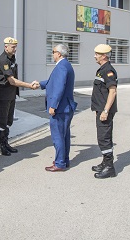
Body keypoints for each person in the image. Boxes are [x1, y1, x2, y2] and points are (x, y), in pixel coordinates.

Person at [0, 37, 39, 156]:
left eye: (15, 47)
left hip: (11, 94)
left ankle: (5, 142)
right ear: (6, 47)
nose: (15, 49)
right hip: (3, 94)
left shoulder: (12, 58)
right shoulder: (3, 59)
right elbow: (12, 81)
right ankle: (1, 145)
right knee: (2, 121)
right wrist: (29, 85)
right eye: (13, 47)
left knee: (9, 121)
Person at [39, 44, 77, 172]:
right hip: (66, 107)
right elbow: (53, 81)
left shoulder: (61, 67)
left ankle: (60, 163)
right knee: (64, 135)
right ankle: (64, 160)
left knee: (58, 136)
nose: (52, 54)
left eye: (53, 52)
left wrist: (53, 106)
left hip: (60, 108)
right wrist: (40, 84)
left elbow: (59, 87)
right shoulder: (66, 65)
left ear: (59, 54)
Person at [91, 44, 118, 179]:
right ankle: (104, 162)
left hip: (104, 111)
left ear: (104, 56)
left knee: (104, 138)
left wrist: (106, 111)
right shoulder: (101, 69)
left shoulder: (109, 71)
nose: (95, 56)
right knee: (102, 137)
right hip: (100, 109)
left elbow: (112, 92)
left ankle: (109, 168)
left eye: (97, 54)